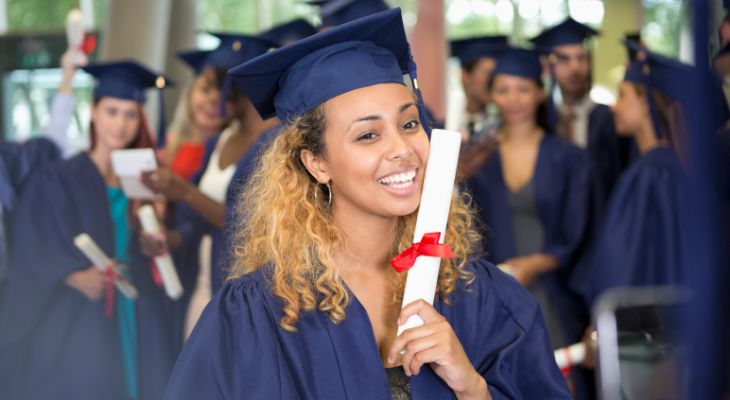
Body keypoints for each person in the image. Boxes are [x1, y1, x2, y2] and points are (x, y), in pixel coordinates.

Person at [165, 9, 570, 399]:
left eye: (409, 124)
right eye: (367, 135)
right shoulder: (255, 316)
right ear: (316, 163)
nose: (402, 150)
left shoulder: (481, 297)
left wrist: (472, 389)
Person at [0, 61, 172, 400]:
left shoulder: (144, 174)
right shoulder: (60, 176)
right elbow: (34, 240)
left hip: (137, 303)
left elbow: (156, 239)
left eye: (130, 114)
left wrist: (154, 242)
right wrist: (72, 275)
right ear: (93, 112)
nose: (120, 124)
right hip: (84, 312)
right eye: (111, 111)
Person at [140, 34, 278, 339]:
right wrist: (170, 239)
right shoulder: (221, 139)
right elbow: (196, 223)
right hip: (204, 282)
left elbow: (250, 224)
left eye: (224, 90)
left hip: (244, 288)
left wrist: (185, 191)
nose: (216, 100)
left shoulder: (275, 142)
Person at [576, 42, 691, 306]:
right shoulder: (673, 168)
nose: (615, 107)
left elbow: (619, 269)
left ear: (647, 101)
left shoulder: (649, 176)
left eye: (623, 95)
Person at [531, 17, 633, 198]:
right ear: (548, 67)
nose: (575, 67)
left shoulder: (610, 119)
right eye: (564, 59)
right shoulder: (541, 119)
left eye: (582, 58)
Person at [450, 36, 509, 144]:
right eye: (489, 74)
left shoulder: (503, 130)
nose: (494, 82)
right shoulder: (441, 125)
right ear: (465, 75)